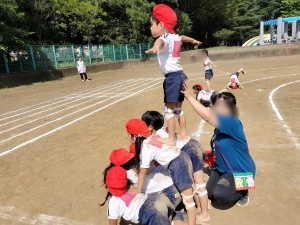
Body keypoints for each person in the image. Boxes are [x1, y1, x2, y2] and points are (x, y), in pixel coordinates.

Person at [181, 89, 256, 207]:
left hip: (240, 171)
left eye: (219, 105)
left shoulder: (232, 122)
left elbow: (208, 117)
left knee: (220, 195)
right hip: (222, 168)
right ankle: (229, 181)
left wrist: (189, 97)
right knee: (209, 194)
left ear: (229, 109)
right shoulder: (219, 127)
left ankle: (244, 189)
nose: (214, 107)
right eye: (215, 104)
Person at [145, 4, 202, 146]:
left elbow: (161, 40)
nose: (150, 28)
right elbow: (182, 37)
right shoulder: (175, 37)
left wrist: (156, 46)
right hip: (181, 75)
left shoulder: (165, 38)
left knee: (168, 111)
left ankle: (171, 139)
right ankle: (183, 133)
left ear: (161, 25)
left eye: (152, 25)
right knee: (178, 109)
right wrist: (192, 40)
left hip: (172, 78)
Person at [125, 119, 198, 225]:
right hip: (181, 157)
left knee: (188, 200)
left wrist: (138, 189)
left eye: (130, 135)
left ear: (135, 136)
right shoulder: (153, 137)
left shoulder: (146, 147)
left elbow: (143, 171)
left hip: (177, 164)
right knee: (189, 195)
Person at [141, 111, 210, 223]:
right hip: (192, 145)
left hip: (184, 155)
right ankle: (202, 210)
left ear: (150, 127)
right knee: (197, 183)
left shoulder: (155, 138)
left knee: (190, 190)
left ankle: (202, 215)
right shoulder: (166, 130)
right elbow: (179, 131)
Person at [101, 164, 189, 225]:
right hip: (158, 198)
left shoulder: (112, 201)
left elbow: (113, 223)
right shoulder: (131, 185)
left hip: (150, 211)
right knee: (173, 220)